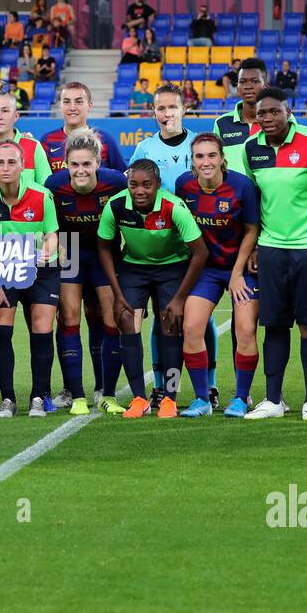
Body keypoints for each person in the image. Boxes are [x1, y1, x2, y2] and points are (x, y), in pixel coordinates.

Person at [238, 87, 307, 421]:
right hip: (271, 250)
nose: (267, 118)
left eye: (274, 112)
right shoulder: (250, 148)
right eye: (261, 113)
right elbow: (254, 198)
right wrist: (255, 245)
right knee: (274, 325)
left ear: (288, 111)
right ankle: (273, 400)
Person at [96, 159, 207, 418]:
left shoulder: (173, 206)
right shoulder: (116, 205)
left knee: (170, 321)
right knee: (125, 318)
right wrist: (118, 294)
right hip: (134, 266)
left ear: (158, 185)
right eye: (134, 185)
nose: (140, 191)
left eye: (147, 185)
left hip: (173, 266)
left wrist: (179, 299)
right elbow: (103, 246)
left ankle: (169, 397)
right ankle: (138, 398)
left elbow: (200, 253)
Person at [0, 139, 62, 418]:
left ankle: (39, 395)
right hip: (4, 270)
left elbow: (52, 236)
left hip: (41, 270)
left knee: (42, 325)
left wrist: (45, 254)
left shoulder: (41, 195)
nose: (6, 167)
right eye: (0, 162)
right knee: (1, 327)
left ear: (23, 166)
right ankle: (8, 399)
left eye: (12, 162)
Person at [174, 134, 261, 417]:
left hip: (241, 267)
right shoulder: (183, 186)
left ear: (222, 158)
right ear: (192, 161)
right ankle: (202, 399)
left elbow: (252, 229)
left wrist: (237, 272)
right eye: (200, 157)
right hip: (206, 270)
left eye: (212, 155)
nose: (206, 162)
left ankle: (241, 397)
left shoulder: (242, 186)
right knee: (191, 327)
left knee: (245, 329)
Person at [45, 130, 128, 414]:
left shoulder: (116, 182)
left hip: (105, 252)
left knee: (109, 317)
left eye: (87, 164)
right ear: (66, 164)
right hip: (70, 250)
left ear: (98, 163)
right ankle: (76, 394)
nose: (80, 170)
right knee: (68, 317)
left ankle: (107, 392)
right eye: (74, 164)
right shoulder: (54, 185)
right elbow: (48, 226)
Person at [132, 82, 201, 400]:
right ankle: (162, 386)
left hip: (194, 241)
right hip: (157, 243)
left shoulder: (198, 145)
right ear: (153, 111)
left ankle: (208, 383)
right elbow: (132, 192)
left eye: (173, 107)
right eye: (161, 108)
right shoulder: (145, 149)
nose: (166, 113)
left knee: (199, 317)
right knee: (162, 320)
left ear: (184, 109)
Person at [42, 81, 126, 173]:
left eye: (79, 102)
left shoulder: (105, 140)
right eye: (66, 102)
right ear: (60, 106)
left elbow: (123, 178)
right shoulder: (46, 141)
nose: (72, 108)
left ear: (89, 105)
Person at [212, 56, 267, 171]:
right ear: (237, 88)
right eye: (243, 82)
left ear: (265, 87)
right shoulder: (222, 124)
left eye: (255, 81)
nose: (248, 86)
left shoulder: (275, 123)